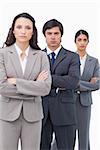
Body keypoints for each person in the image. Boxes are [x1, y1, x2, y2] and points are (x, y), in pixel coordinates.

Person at [0, 12, 51, 150]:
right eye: (19, 27)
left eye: (28, 28)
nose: (23, 31)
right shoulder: (2, 54)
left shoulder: (41, 56)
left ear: (33, 32)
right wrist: (34, 86)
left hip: (33, 116)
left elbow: (45, 88)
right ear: (13, 30)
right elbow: (2, 87)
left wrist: (16, 81)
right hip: (7, 115)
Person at [40, 19, 80, 150]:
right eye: (49, 33)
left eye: (56, 33)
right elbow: (31, 80)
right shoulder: (37, 56)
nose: (53, 36)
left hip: (64, 112)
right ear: (44, 35)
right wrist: (60, 80)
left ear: (61, 35)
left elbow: (73, 81)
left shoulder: (72, 57)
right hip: (41, 111)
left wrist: (47, 79)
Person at [74, 29, 100, 150]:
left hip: (85, 102)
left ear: (88, 42)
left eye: (85, 40)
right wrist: (87, 84)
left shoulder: (94, 61)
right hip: (68, 101)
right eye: (79, 40)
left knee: (83, 134)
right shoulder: (69, 58)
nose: (82, 43)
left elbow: (97, 84)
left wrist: (76, 83)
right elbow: (67, 81)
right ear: (75, 42)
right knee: (64, 132)